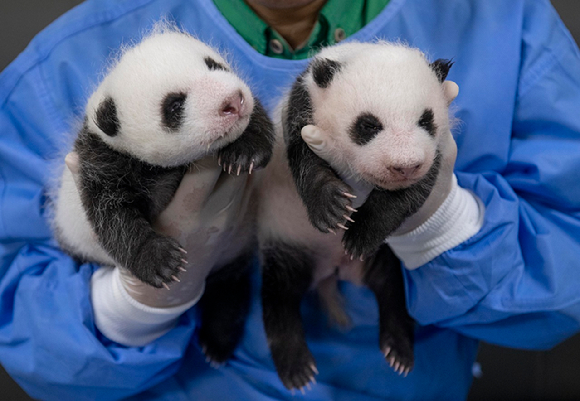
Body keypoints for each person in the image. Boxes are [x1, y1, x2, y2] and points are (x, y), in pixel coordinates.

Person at [0, 0, 579, 399]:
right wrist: (137, 301)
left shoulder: (506, 23)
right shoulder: (70, 61)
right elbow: (21, 321)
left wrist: (440, 222)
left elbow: (565, 278)